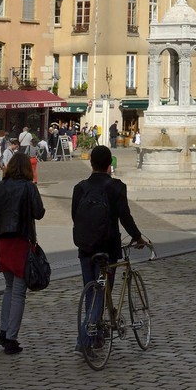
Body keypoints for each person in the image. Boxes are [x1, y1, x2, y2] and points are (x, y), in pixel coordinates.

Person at [73, 145, 148, 349]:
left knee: (91, 292)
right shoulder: (116, 186)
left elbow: (75, 217)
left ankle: (96, 337)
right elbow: (125, 216)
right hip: (107, 247)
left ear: (91, 163)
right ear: (109, 164)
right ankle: (84, 339)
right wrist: (138, 237)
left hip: (85, 246)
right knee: (102, 292)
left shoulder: (80, 187)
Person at [0, 150, 44, 354]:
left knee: (10, 288)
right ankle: (11, 337)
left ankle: (4, 331)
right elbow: (40, 213)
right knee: (19, 291)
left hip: (3, 242)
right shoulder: (29, 187)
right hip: (21, 240)